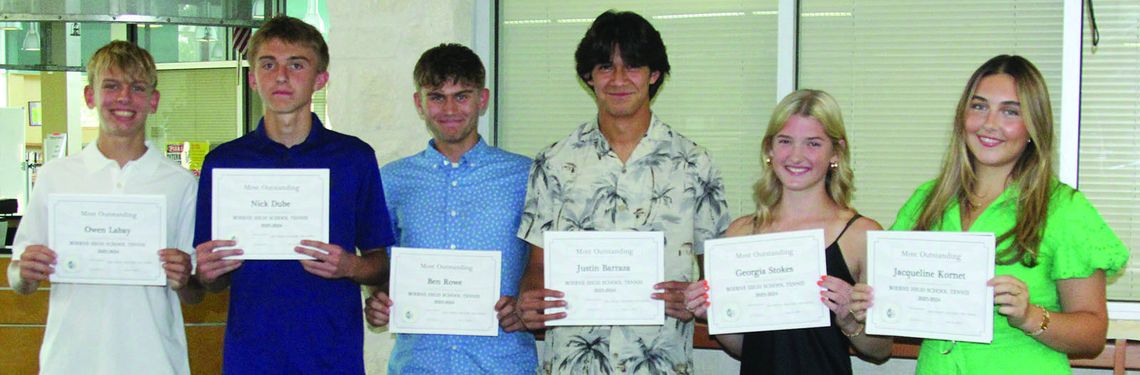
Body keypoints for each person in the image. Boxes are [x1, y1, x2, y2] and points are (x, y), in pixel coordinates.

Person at [514, 10, 732, 374]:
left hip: (660, 362)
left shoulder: (695, 164)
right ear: (588, 76)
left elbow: (718, 275)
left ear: (654, 74)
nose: (618, 80)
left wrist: (697, 298)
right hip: (573, 363)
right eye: (604, 67)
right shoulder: (553, 162)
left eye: (632, 66)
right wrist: (532, 297)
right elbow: (537, 267)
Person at [891, 55, 1128, 373]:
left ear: (1033, 126)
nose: (989, 124)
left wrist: (1029, 315)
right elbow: (894, 304)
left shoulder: (1064, 210)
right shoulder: (926, 201)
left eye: (1010, 111)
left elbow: (1092, 336)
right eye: (978, 106)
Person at [192, 15, 394, 374]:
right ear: (253, 78)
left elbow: (380, 262)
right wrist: (207, 272)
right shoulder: (223, 163)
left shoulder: (354, 158)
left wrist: (351, 265)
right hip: (251, 357)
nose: (281, 76)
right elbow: (213, 280)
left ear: (320, 79)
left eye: (296, 65)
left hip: (332, 357)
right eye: (268, 64)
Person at [7, 40, 202, 375]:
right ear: (89, 96)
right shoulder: (55, 176)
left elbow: (194, 293)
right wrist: (25, 272)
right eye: (111, 86)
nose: (124, 98)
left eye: (137, 88)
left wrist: (185, 276)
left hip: (154, 362)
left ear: (153, 101)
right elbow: (18, 279)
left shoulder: (181, 183)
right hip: (69, 362)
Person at [683, 89, 893, 374]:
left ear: (836, 152)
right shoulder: (740, 234)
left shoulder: (861, 236)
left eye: (813, 144)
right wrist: (714, 315)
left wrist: (850, 322)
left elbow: (880, 350)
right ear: (769, 149)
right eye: (785, 141)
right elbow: (746, 347)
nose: (796, 156)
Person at [362, 43, 538, 374]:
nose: (450, 108)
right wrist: (380, 300)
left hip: (502, 364)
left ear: (482, 99)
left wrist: (525, 304)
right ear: (419, 103)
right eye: (437, 96)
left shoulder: (526, 176)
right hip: (418, 364)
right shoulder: (392, 180)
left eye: (462, 95)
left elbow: (543, 263)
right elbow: (379, 264)